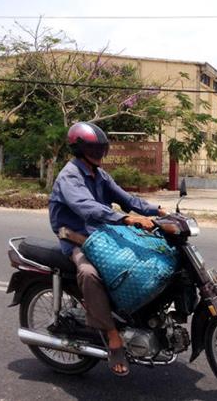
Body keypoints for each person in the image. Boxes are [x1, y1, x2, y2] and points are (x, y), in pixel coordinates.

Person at [48, 121, 166, 376]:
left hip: (103, 235)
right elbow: (85, 207)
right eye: (95, 148)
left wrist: (157, 211)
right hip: (76, 239)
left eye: (102, 148)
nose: (100, 153)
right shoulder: (70, 176)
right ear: (81, 149)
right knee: (89, 274)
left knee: (145, 255)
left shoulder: (99, 174)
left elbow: (126, 199)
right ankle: (113, 338)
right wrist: (125, 218)